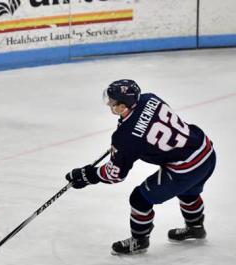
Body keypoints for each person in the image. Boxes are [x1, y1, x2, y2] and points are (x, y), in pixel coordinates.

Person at [65, 79, 216, 255]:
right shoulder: (149, 98)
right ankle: (195, 227)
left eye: (114, 103)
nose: (110, 106)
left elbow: (115, 174)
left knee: (139, 199)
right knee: (188, 192)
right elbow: (145, 127)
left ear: (124, 106)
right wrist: (125, 145)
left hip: (186, 168)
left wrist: (88, 175)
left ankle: (139, 240)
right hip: (205, 151)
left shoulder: (126, 137)